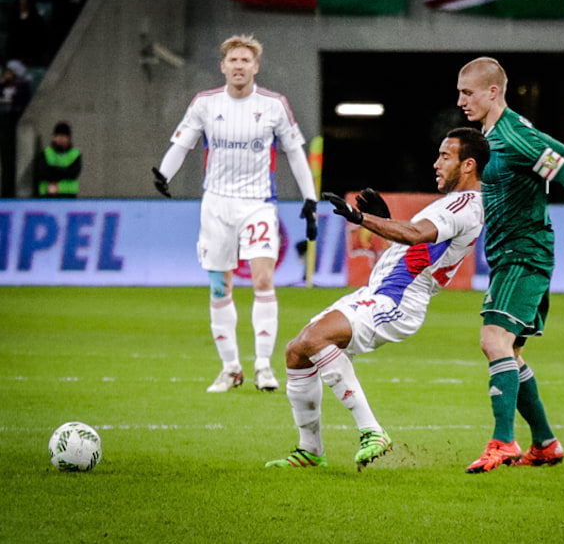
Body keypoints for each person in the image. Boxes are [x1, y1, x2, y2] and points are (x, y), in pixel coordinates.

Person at [265, 127, 489, 470]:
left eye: (445, 156)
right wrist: (385, 221)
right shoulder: (452, 204)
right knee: (297, 351)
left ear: (469, 164)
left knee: (315, 338)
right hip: (380, 292)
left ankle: (372, 431)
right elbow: (415, 250)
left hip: (398, 300)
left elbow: (414, 235)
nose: (436, 163)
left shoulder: (464, 204)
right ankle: (310, 451)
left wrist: (360, 219)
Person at [456, 57, 564, 474]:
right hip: (506, 253)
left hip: (524, 252)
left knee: (492, 339)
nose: (461, 100)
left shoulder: (514, 136)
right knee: (510, 352)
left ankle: (503, 441)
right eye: (459, 92)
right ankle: (546, 444)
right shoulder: (496, 134)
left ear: (493, 92)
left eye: (468, 92)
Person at [152, 34, 318, 394]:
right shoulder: (205, 103)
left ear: (255, 67)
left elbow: (294, 151)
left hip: (258, 203)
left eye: (246, 60)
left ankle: (263, 366)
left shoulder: (274, 105)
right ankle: (230, 368)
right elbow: (183, 143)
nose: (239, 66)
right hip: (216, 204)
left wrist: (310, 197)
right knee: (219, 286)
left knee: (262, 280)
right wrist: (165, 173)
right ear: (223, 66)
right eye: (233, 60)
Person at [33, 121, 82, 198]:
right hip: (47, 195)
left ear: (69, 138)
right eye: (59, 136)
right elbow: (42, 172)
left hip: (68, 196)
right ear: (54, 138)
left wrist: (53, 169)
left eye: (64, 136)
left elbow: (73, 173)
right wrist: (64, 170)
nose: (61, 139)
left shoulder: (75, 154)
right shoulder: (46, 153)